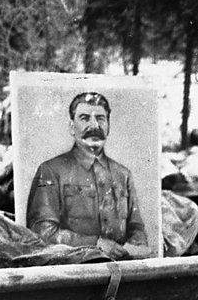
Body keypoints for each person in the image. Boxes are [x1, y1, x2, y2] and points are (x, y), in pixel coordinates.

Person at [27, 92, 151, 260]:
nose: (94, 126)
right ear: (71, 127)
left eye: (100, 118)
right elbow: (41, 231)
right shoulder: (51, 170)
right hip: (74, 273)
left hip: (122, 271)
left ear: (109, 126)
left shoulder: (123, 174)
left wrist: (136, 245)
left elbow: (136, 227)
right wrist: (96, 244)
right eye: (84, 118)